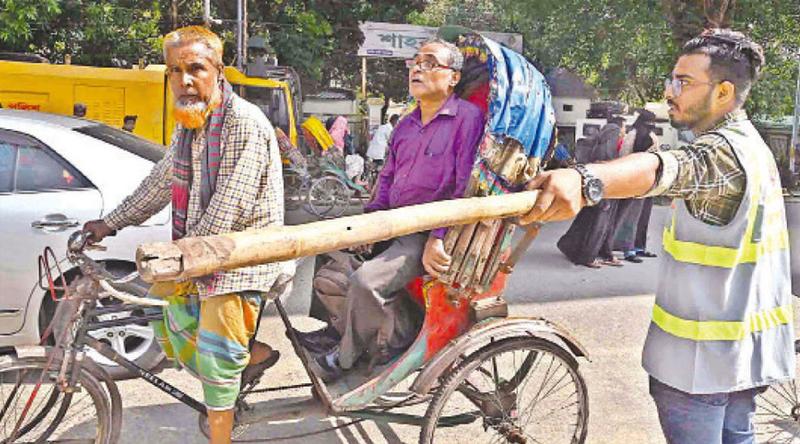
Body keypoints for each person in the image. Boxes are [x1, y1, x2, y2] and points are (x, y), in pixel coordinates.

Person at [521, 28, 793, 443]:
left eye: (683, 82)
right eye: (672, 79)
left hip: (699, 370)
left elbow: (663, 168)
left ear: (722, 92)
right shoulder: (752, 143)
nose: (670, 91)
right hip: (746, 358)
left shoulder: (719, 152)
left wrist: (585, 178)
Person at [82, 26, 285, 444]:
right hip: (203, 254)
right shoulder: (189, 122)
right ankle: (248, 359)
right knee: (163, 315)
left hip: (243, 260)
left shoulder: (243, 123)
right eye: (175, 71)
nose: (185, 80)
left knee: (215, 354)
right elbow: (159, 183)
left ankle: (222, 430)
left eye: (196, 68)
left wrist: (182, 261)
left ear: (219, 71)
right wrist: (111, 222)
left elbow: (229, 208)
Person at [303, 39, 485, 382]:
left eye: (430, 63)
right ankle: (337, 330)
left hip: (424, 231)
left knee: (365, 282)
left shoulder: (467, 118)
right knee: (325, 250)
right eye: (415, 62)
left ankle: (347, 357)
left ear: (453, 78)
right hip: (391, 223)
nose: (417, 68)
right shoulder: (405, 123)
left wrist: (438, 237)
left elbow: (463, 185)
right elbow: (387, 177)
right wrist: (367, 223)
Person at [556, 117, 626, 268]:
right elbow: (606, 156)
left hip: (604, 184)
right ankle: (587, 256)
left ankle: (580, 248)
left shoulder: (607, 133)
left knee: (595, 220)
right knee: (598, 222)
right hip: (605, 184)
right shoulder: (613, 131)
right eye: (624, 127)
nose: (624, 131)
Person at [613, 110, 659, 263]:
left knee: (643, 217)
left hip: (647, 182)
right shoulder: (632, 136)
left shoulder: (650, 136)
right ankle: (628, 249)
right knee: (630, 217)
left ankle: (639, 247)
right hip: (634, 181)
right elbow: (624, 157)